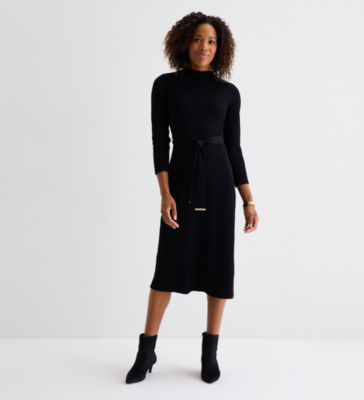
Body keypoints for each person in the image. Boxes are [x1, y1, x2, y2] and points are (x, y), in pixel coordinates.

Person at [126, 11, 259, 385]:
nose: (205, 47)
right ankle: (146, 351)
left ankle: (209, 353)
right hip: (181, 183)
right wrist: (165, 194)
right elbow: (160, 143)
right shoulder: (165, 86)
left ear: (220, 48)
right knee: (167, 269)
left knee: (219, 269)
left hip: (219, 186)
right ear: (185, 42)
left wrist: (248, 200)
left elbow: (234, 149)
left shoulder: (229, 93)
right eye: (199, 39)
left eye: (212, 41)